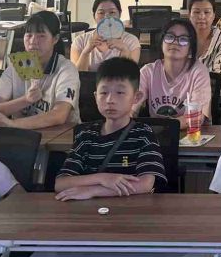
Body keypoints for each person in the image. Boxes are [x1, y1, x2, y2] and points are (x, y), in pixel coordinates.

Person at [55, 57, 167, 200]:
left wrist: (94, 190)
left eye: (120, 93)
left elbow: (145, 184)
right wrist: (102, 178)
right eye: (104, 93)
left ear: (136, 97)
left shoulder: (143, 134)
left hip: (133, 209)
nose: (110, 100)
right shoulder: (86, 135)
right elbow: (61, 183)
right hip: (90, 211)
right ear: (95, 96)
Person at [0, 11, 80, 129]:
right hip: (22, 136)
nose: (33, 41)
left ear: (55, 39)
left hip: (61, 136)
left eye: (41, 36)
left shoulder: (66, 69)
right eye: (29, 35)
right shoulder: (16, 67)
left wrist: (12, 124)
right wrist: (25, 100)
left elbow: (59, 115)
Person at [138, 17, 212, 121]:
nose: (175, 42)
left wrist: (168, 126)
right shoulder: (148, 72)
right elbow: (131, 108)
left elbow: (196, 117)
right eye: (170, 37)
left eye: (183, 39)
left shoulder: (198, 71)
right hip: (156, 130)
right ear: (162, 42)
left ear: (190, 48)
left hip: (189, 130)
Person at [71, 0, 141, 71]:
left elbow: (129, 76)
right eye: (101, 13)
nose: (106, 17)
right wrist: (85, 52)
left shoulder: (131, 41)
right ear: (94, 15)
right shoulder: (80, 41)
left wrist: (124, 50)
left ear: (120, 14)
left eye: (112, 12)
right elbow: (76, 75)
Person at [188, 0, 221, 79]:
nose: (201, 16)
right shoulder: (180, 38)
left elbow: (217, 76)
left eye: (206, 12)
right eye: (196, 12)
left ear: (213, 16)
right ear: (189, 16)